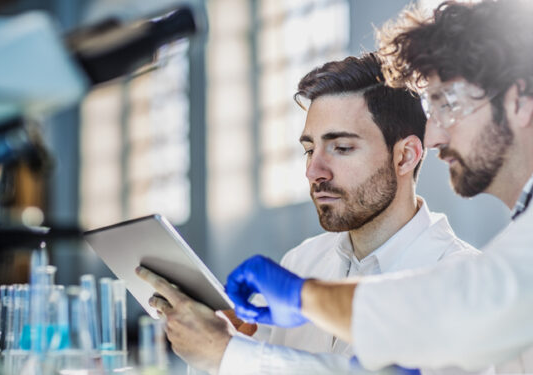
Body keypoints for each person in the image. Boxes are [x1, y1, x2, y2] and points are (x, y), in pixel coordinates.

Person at [226, 0, 533, 373]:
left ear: (519, 101)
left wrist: (300, 299)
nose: (433, 134)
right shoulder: (303, 260)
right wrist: (235, 343)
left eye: (447, 104)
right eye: (309, 150)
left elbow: (460, 306)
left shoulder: (468, 270)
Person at [137, 53, 486, 375]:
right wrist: (222, 341)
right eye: (309, 149)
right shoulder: (301, 262)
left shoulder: (464, 281)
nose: (314, 171)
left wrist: (226, 353)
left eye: (341, 148)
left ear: (406, 156)